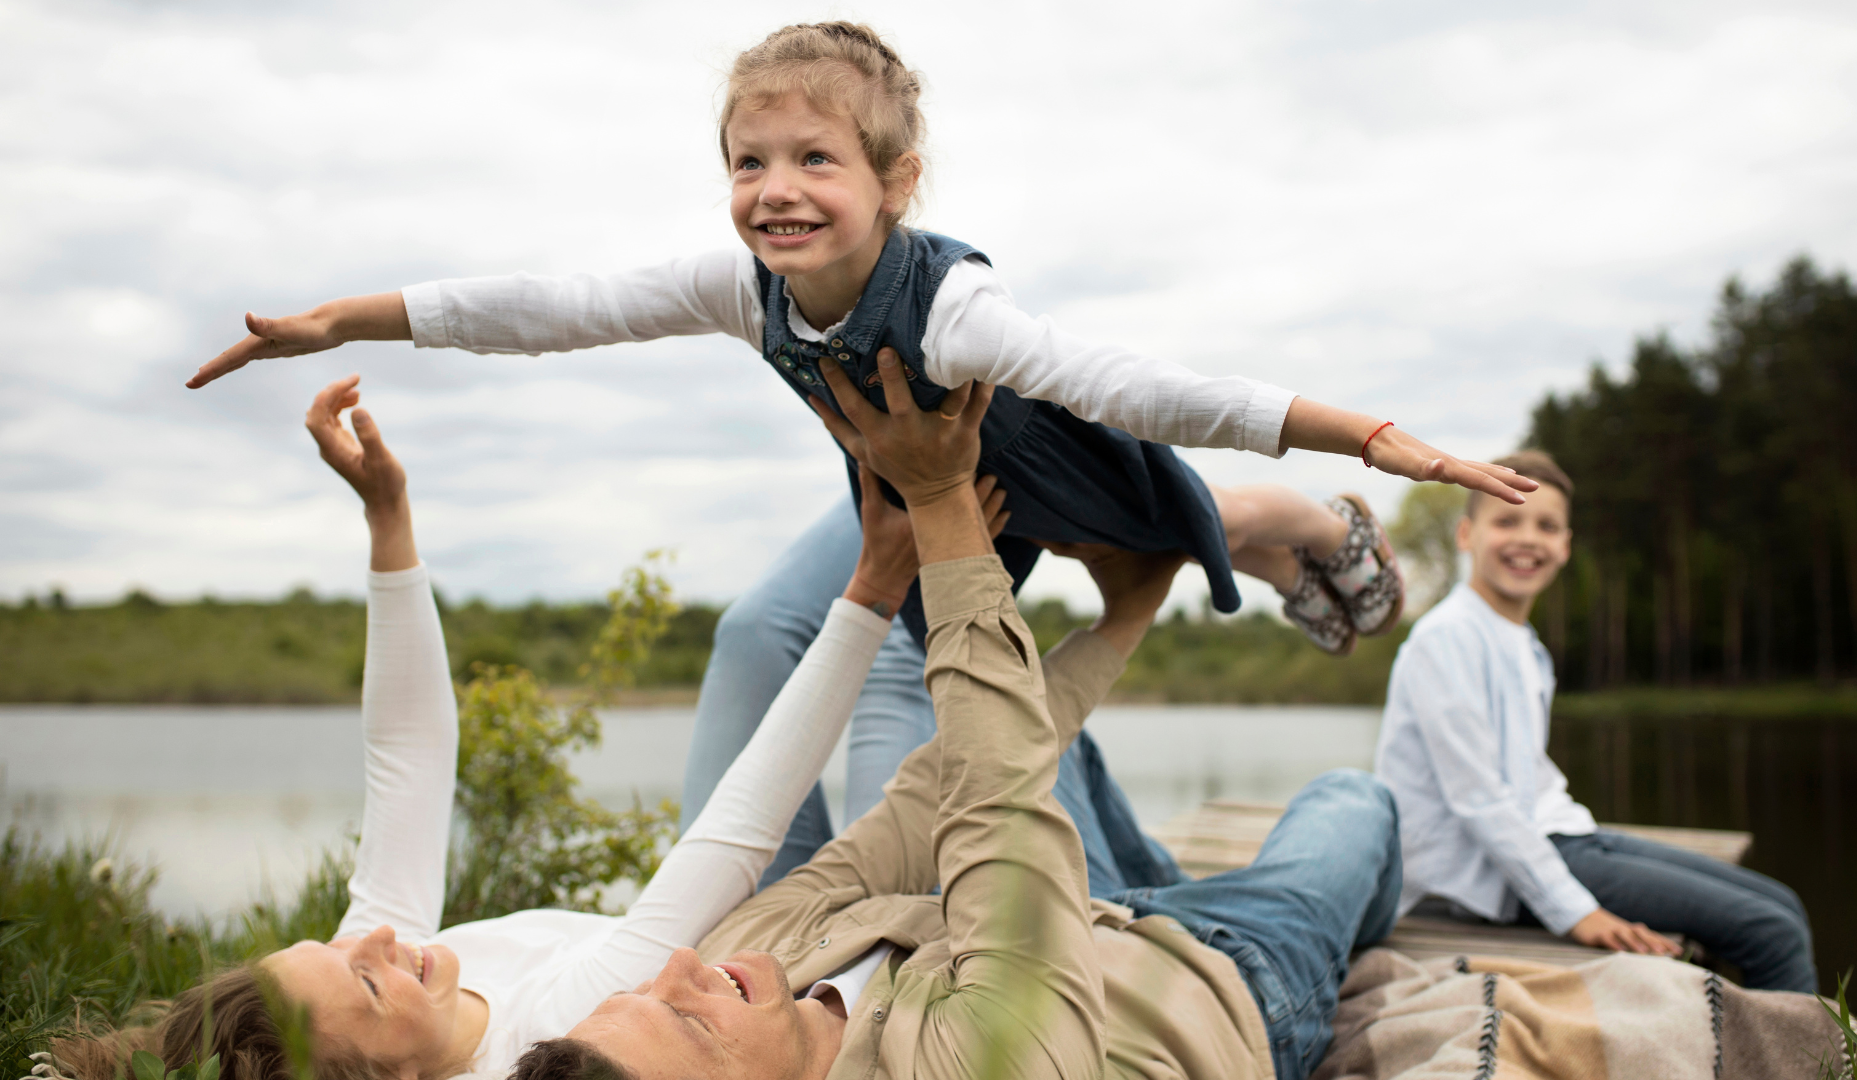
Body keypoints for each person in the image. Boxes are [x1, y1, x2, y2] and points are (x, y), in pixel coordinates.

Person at [181, 20, 1532, 882]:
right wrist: (344, 321)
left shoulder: (952, 304)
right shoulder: (741, 284)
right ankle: (805, 907)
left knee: (1123, 533)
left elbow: (1131, 381)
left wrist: (1372, 434)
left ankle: (1275, 513)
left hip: (1038, 470)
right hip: (920, 492)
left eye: (815, 159)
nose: (775, 188)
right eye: (748, 159)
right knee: (788, 632)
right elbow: (561, 308)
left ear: (895, 181)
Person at [52, 373, 1012, 1080]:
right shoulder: (547, 1033)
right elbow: (730, 838)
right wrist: (876, 587)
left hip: (741, 921)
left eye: (341, 950)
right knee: (922, 703)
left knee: (753, 636)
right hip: (780, 961)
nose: (376, 945)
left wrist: (389, 520)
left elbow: (409, 760)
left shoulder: (385, 982)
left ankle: (963, 473)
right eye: (369, 984)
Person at [508, 340, 1404, 1080]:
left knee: (1042, 746)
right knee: (1353, 803)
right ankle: (1263, 526)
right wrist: (941, 506)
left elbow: (929, 801)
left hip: (1086, 906)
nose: (679, 968)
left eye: (645, 992)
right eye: (689, 1023)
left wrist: (1125, 616)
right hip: (1223, 974)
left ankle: (1238, 531)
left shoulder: (751, 958)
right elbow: (997, 805)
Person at [1372, 449, 1817, 992]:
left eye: (1547, 525)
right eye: (1506, 519)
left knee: (1783, 903)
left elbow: (1528, 779)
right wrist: (1575, 911)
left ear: (1565, 545)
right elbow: (1480, 798)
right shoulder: (1446, 638)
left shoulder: (1523, 643)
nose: (1528, 538)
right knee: (1769, 932)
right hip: (1487, 876)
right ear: (1467, 534)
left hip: (1560, 834)